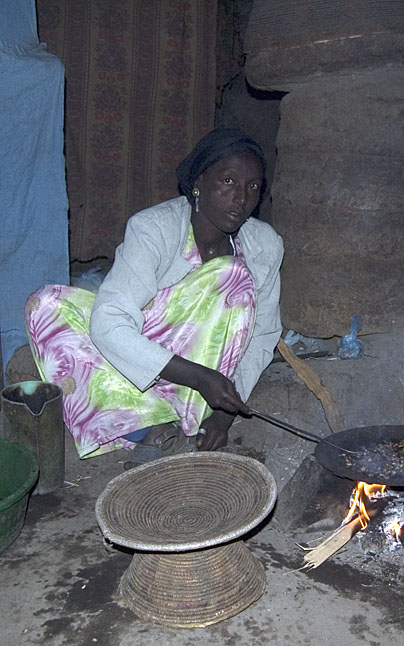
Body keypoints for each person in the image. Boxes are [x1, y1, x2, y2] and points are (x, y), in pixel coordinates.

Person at [25, 128, 284, 464]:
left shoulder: (264, 245)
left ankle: (167, 413)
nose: (241, 198)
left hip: (208, 374)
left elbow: (263, 334)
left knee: (230, 275)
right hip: (163, 360)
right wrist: (198, 377)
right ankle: (152, 423)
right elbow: (110, 321)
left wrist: (224, 412)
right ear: (199, 182)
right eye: (228, 181)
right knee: (46, 305)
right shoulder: (153, 229)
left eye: (253, 187)